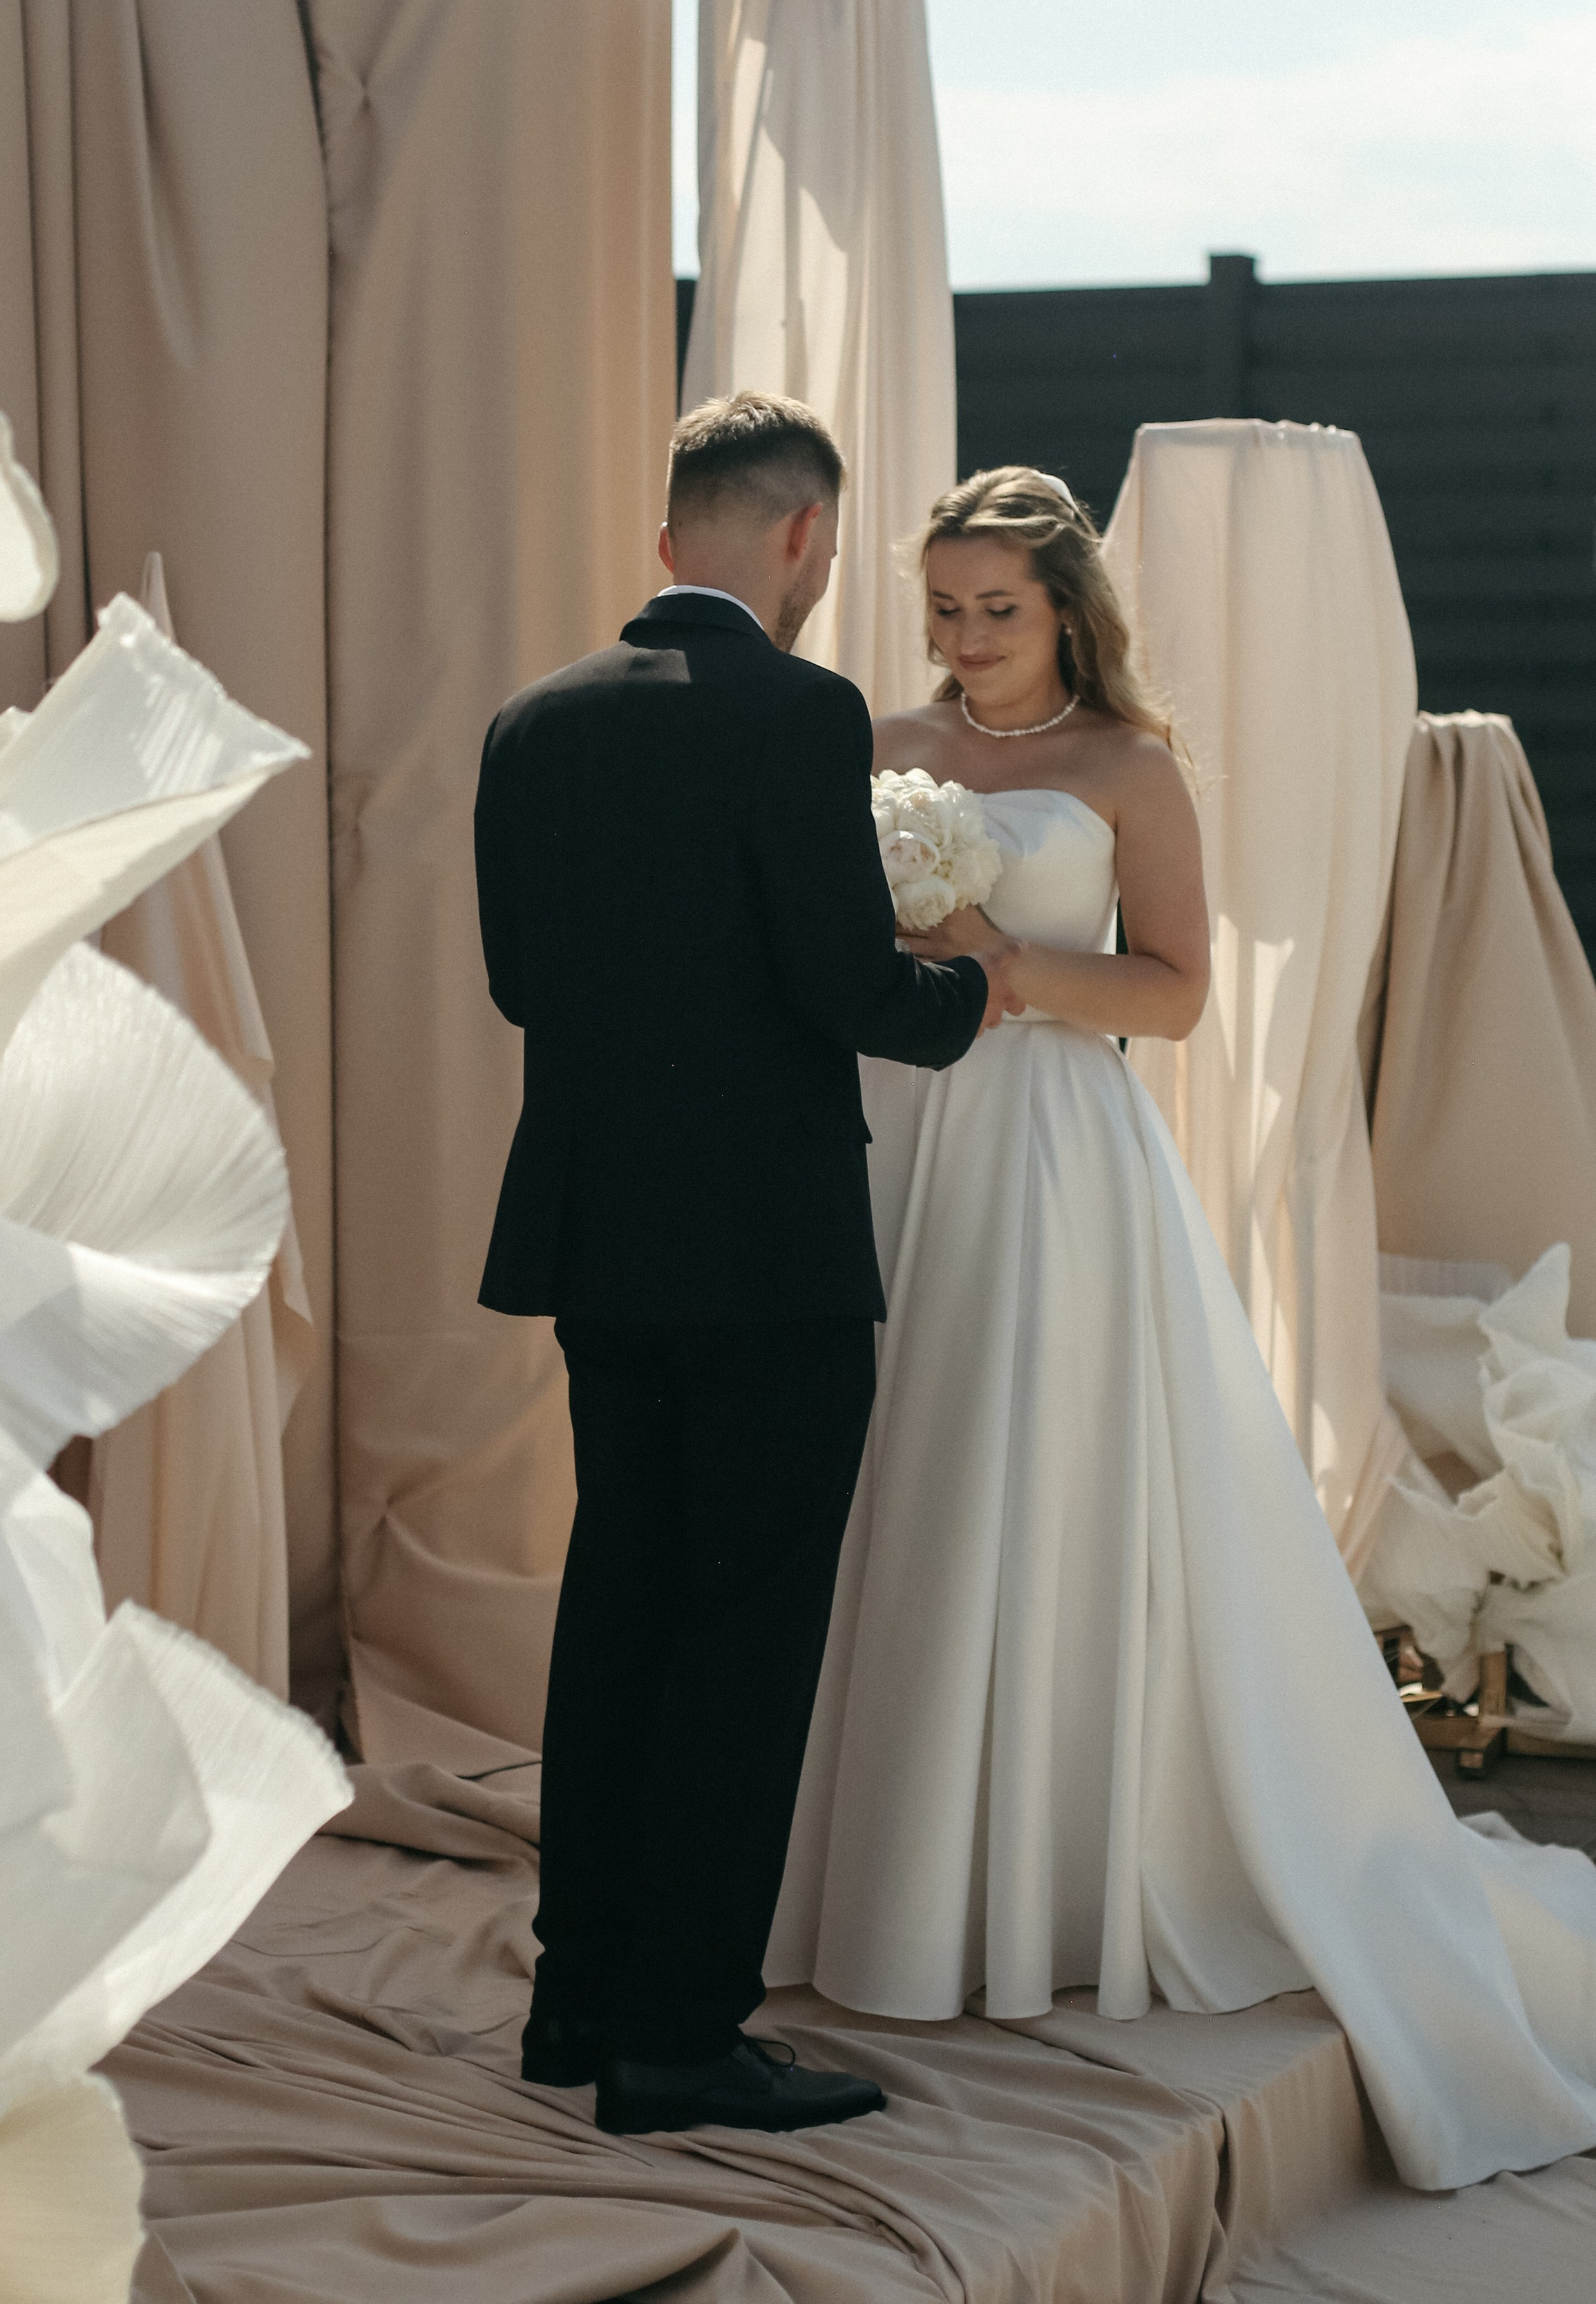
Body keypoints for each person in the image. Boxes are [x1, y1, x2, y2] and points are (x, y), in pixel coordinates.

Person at [766, 464, 1596, 2193]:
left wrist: (996, 964)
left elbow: (1173, 991)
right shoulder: (868, 739)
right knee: (877, 1476)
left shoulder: (1127, 767)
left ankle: (1045, 1870)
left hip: (1049, 1151)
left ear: (1066, 607)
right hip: (884, 1135)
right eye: (939, 605)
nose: (961, 639)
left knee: (1028, 1475)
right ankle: (869, 1862)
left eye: (993, 608)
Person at [473, 391, 1023, 2140]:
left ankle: (573, 2004)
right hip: (768, 1252)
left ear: (666, 543)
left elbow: (520, 986)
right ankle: (678, 2037)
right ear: (800, 536)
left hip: (593, 1238)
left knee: (620, 1604)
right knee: (741, 1637)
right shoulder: (803, 716)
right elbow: (853, 993)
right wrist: (975, 987)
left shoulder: (526, 725)